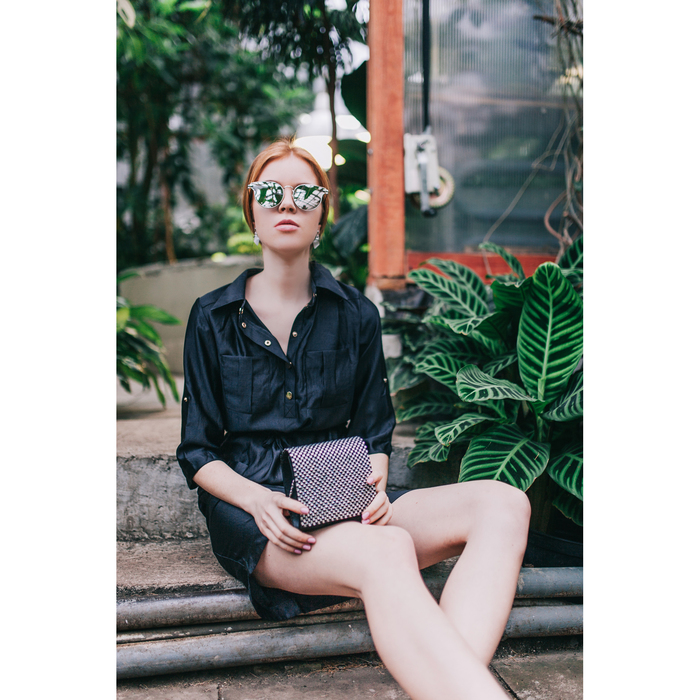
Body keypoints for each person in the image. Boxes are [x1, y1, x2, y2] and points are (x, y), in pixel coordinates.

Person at [177, 137, 531, 699]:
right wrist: (257, 500)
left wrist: (376, 476)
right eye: (270, 193)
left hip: (341, 495)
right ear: (252, 213)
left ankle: (451, 686)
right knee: (387, 551)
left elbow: (373, 430)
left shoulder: (356, 314)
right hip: (263, 517)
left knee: (504, 504)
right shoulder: (213, 317)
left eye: (305, 194)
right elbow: (197, 450)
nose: (287, 203)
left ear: (322, 215)